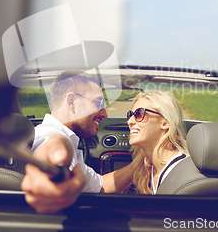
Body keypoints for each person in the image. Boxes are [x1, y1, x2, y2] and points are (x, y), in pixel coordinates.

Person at [21, 71, 133, 213]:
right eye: (99, 103)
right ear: (72, 101)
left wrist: (140, 164)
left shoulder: (63, 136)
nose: (105, 114)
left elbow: (101, 186)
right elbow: (53, 147)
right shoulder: (52, 137)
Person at [127, 91, 189, 194]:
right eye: (130, 115)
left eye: (139, 114)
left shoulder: (181, 170)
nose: (130, 121)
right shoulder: (149, 169)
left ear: (165, 123)